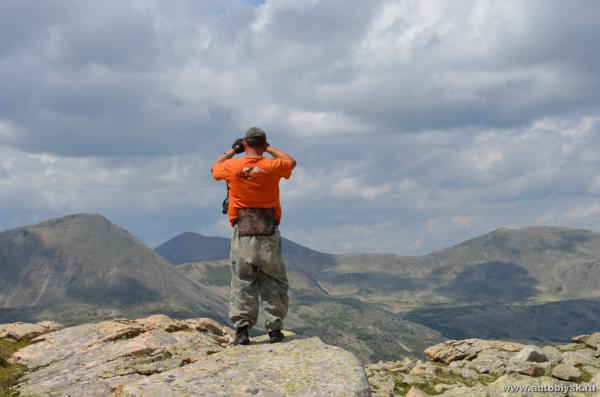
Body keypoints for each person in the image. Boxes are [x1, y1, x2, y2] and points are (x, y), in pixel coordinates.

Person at [211, 127, 296, 345]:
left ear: (245, 144)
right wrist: (269, 148)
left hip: (243, 228)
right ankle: (275, 330)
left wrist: (233, 151)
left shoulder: (232, 166)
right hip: (268, 229)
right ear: (263, 144)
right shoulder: (272, 166)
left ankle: (242, 331)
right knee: (274, 280)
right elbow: (291, 162)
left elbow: (214, 168)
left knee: (242, 279)